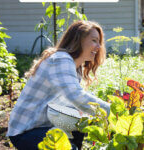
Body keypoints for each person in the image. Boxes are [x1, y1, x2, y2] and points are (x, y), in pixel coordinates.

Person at [6, 20, 110, 150]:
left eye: (99, 42)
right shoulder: (61, 60)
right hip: (26, 131)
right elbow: (76, 96)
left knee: (81, 122)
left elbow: (73, 100)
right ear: (78, 40)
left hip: (44, 126)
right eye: (94, 40)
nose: (99, 47)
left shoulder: (74, 66)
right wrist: (109, 111)